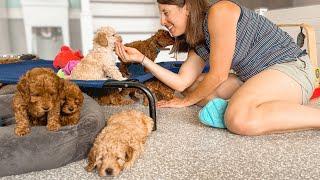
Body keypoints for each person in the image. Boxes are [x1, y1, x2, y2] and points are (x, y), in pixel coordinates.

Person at [115, 0, 319, 136]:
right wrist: (143, 59)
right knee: (193, 88)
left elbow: (219, 75)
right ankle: (258, 105)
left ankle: (247, 108)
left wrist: (186, 102)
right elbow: (181, 82)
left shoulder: (220, 12)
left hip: (291, 69)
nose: (162, 21)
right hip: (256, 77)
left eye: (166, 12)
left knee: (238, 119)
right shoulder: (200, 39)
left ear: (187, 7)